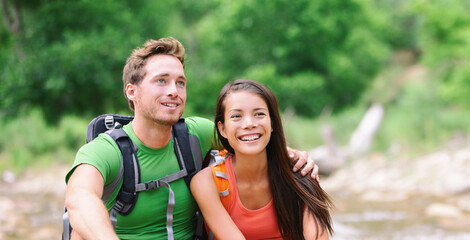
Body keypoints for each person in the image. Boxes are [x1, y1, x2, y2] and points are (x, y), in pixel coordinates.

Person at [64, 37, 319, 240]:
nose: (173, 91)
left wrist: (293, 155)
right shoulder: (107, 150)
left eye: (180, 82)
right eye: (161, 81)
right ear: (132, 91)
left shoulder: (197, 134)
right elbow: (79, 199)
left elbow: (249, 138)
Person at [190, 79, 334, 240]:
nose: (249, 124)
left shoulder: (299, 170)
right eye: (236, 116)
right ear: (222, 129)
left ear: (272, 123)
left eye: (259, 114)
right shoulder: (207, 182)